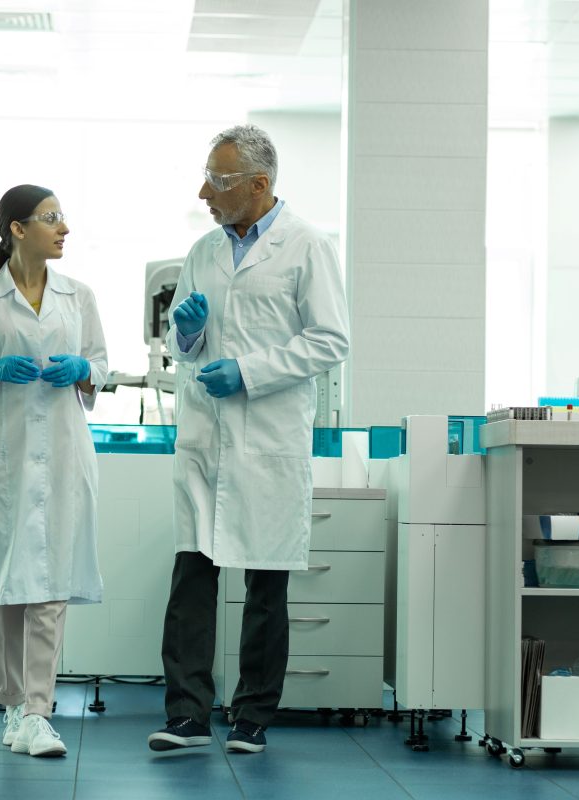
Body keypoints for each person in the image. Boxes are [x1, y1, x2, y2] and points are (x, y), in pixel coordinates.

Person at [148, 125, 350, 754]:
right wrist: (185, 334)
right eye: (208, 174)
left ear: (260, 185)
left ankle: (253, 717)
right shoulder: (204, 250)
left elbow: (330, 340)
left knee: (266, 587)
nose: (205, 190)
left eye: (220, 179)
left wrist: (251, 373)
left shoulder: (308, 247)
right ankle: (186, 715)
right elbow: (184, 354)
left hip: (267, 438)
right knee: (192, 577)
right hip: (208, 437)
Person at [0, 185, 107, 758]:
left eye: (62, 217)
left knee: (50, 583)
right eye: (50, 218)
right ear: (16, 228)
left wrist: (86, 369)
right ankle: (13, 705)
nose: (63, 228)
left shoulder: (78, 296)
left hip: (62, 453)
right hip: (3, 457)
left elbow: (101, 366)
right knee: (5, 583)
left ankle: (38, 710)